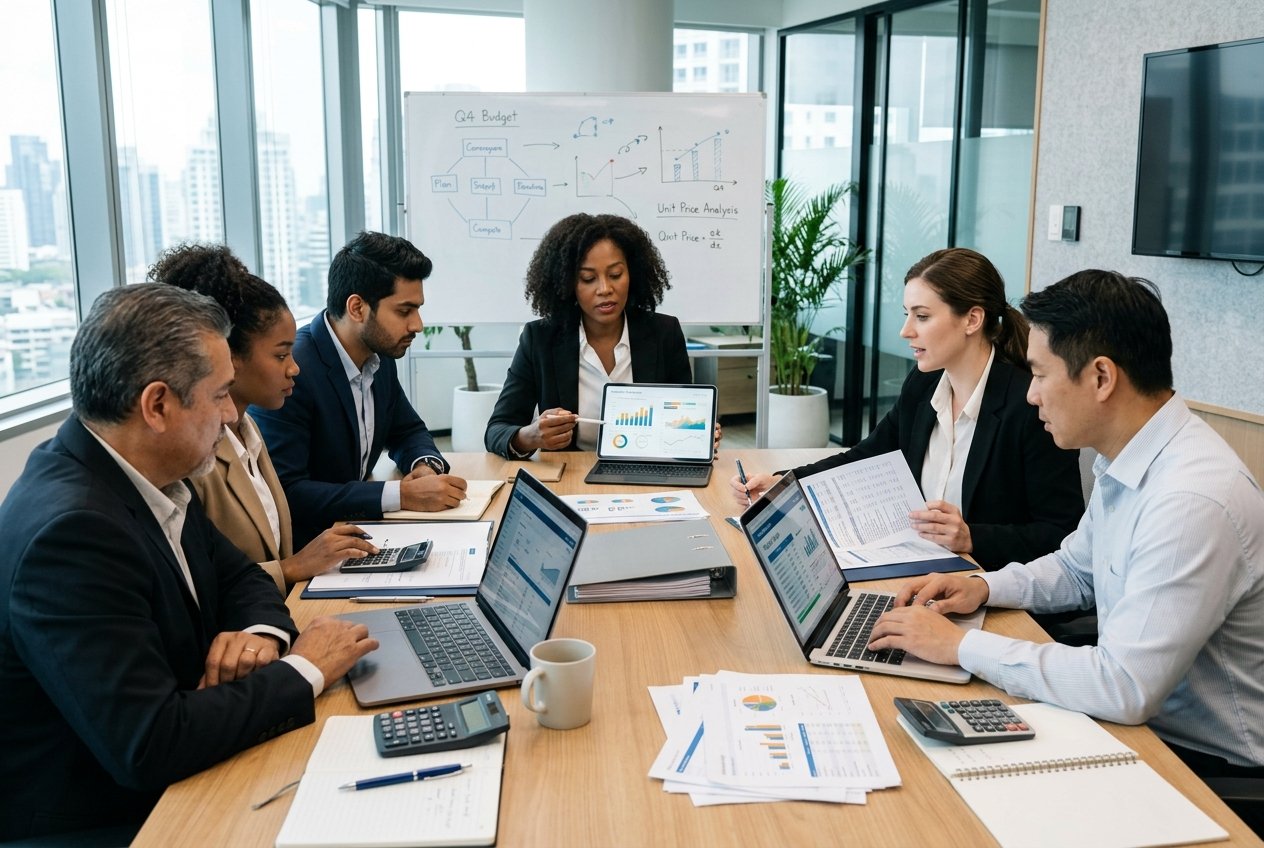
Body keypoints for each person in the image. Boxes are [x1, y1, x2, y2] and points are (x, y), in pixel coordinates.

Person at [0, 284, 379, 843]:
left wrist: (258, 634)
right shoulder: (73, 534)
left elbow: (241, 575)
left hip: (179, 764)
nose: (231, 416)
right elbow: (149, 744)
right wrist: (304, 669)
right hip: (111, 818)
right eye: (220, 395)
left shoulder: (148, 475)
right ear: (157, 405)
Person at [867, 271, 1264, 785]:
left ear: (1101, 378)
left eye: (1039, 375)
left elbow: (1123, 687)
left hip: (1199, 762)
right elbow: (1077, 569)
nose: (1030, 396)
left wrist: (958, 646)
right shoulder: (1130, 457)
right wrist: (982, 585)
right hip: (1141, 724)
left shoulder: (1190, 500)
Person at [731, 247, 1083, 570]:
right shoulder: (922, 385)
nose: (904, 331)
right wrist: (784, 484)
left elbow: (1063, 535)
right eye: (906, 315)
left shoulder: (1029, 404)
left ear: (972, 320)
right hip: (918, 572)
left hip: (995, 590)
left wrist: (972, 537)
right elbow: (864, 457)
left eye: (922, 316)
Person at [150, 244, 378, 594]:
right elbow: (197, 586)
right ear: (229, 355)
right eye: (281, 354)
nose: (294, 367)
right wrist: (291, 567)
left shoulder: (248, 427)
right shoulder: (192, 456)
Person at [253, 232, 467, 548]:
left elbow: (408, 431)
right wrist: (401, 495)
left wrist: (424, 466)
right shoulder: (294, 371)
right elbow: (287, 491)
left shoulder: (378, 355)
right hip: (312, 550)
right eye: (404, 311)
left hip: (359, 531)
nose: (418, 325)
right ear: (357, 308)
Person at [484, 213, 717, 458]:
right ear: (567, 283)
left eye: (615, 275)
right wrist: (531, 436)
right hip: (571, 478)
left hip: (646, 474)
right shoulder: (540, 338)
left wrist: (699, 432)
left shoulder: (664, 333)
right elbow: (496, 430)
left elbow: (684, 418)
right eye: (588, 278)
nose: (605, 289)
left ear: (633, 274)